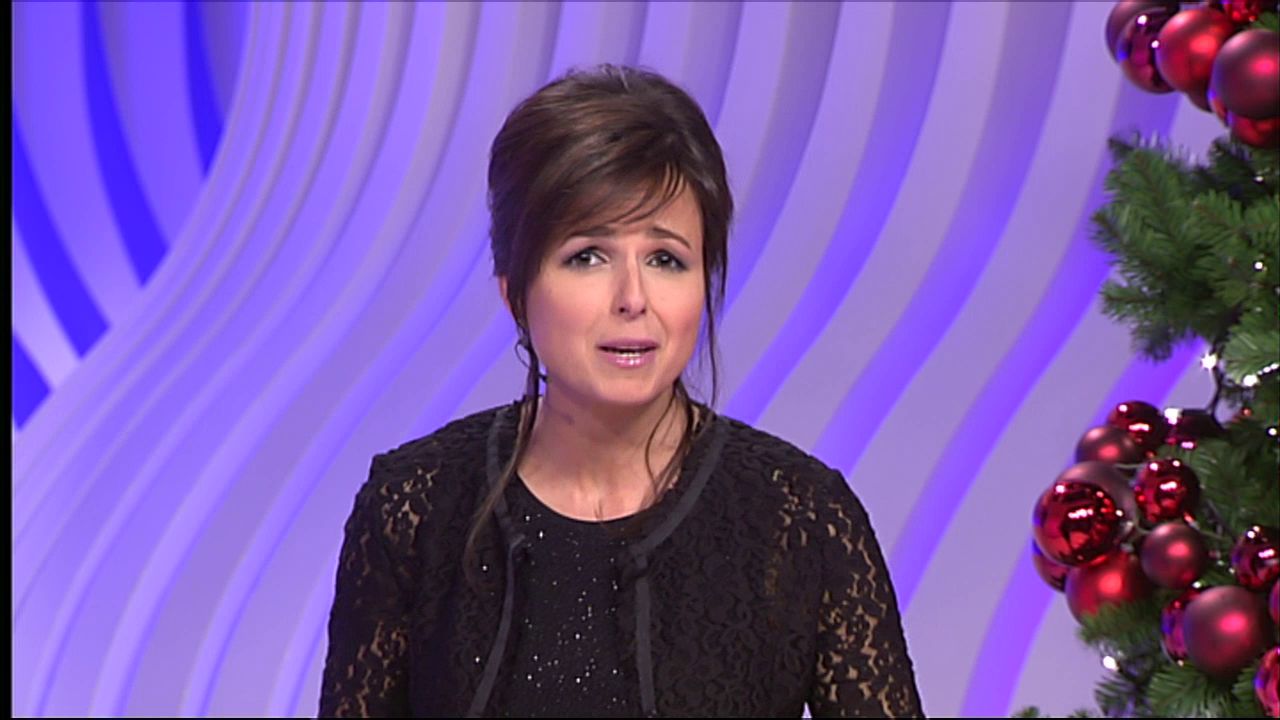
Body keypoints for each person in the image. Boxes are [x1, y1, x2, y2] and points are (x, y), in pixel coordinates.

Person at [319, 64, 923, 718]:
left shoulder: (802, 518)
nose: (634, 299)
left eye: (666, 259)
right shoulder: (413, 506)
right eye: (588, 256)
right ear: (515, 291)